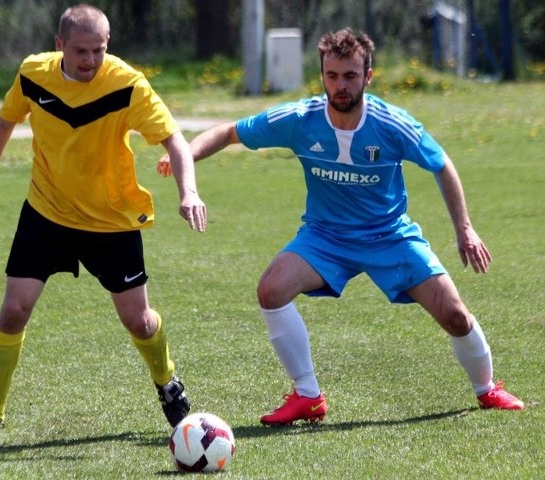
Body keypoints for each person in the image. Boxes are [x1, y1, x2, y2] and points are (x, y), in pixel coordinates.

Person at [158, 28, 523, 425]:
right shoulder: (301, 119)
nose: (340, 85)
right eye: (332, 76)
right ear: (322, 76)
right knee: (271, 289)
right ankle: (308, 396)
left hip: (389, 236)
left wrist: (465, 230)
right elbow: (229, 132)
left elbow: (441, 164)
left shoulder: (391, 124)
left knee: (454, 315)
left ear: (368, 76)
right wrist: (186, 156)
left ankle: (487, 389)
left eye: (350, 76)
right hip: (325, 237)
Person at [0, 4, 207, 445]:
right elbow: (3, 121)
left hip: (112, 220)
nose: (90, 60)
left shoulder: (127, 83)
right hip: (47, 212)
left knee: (139, 322)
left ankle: (168, 383)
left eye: (99, 50)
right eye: (81, 50)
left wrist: (189, 191)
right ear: (59, 45)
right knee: (13, 311)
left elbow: (174, 140)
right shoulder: (33, 74)